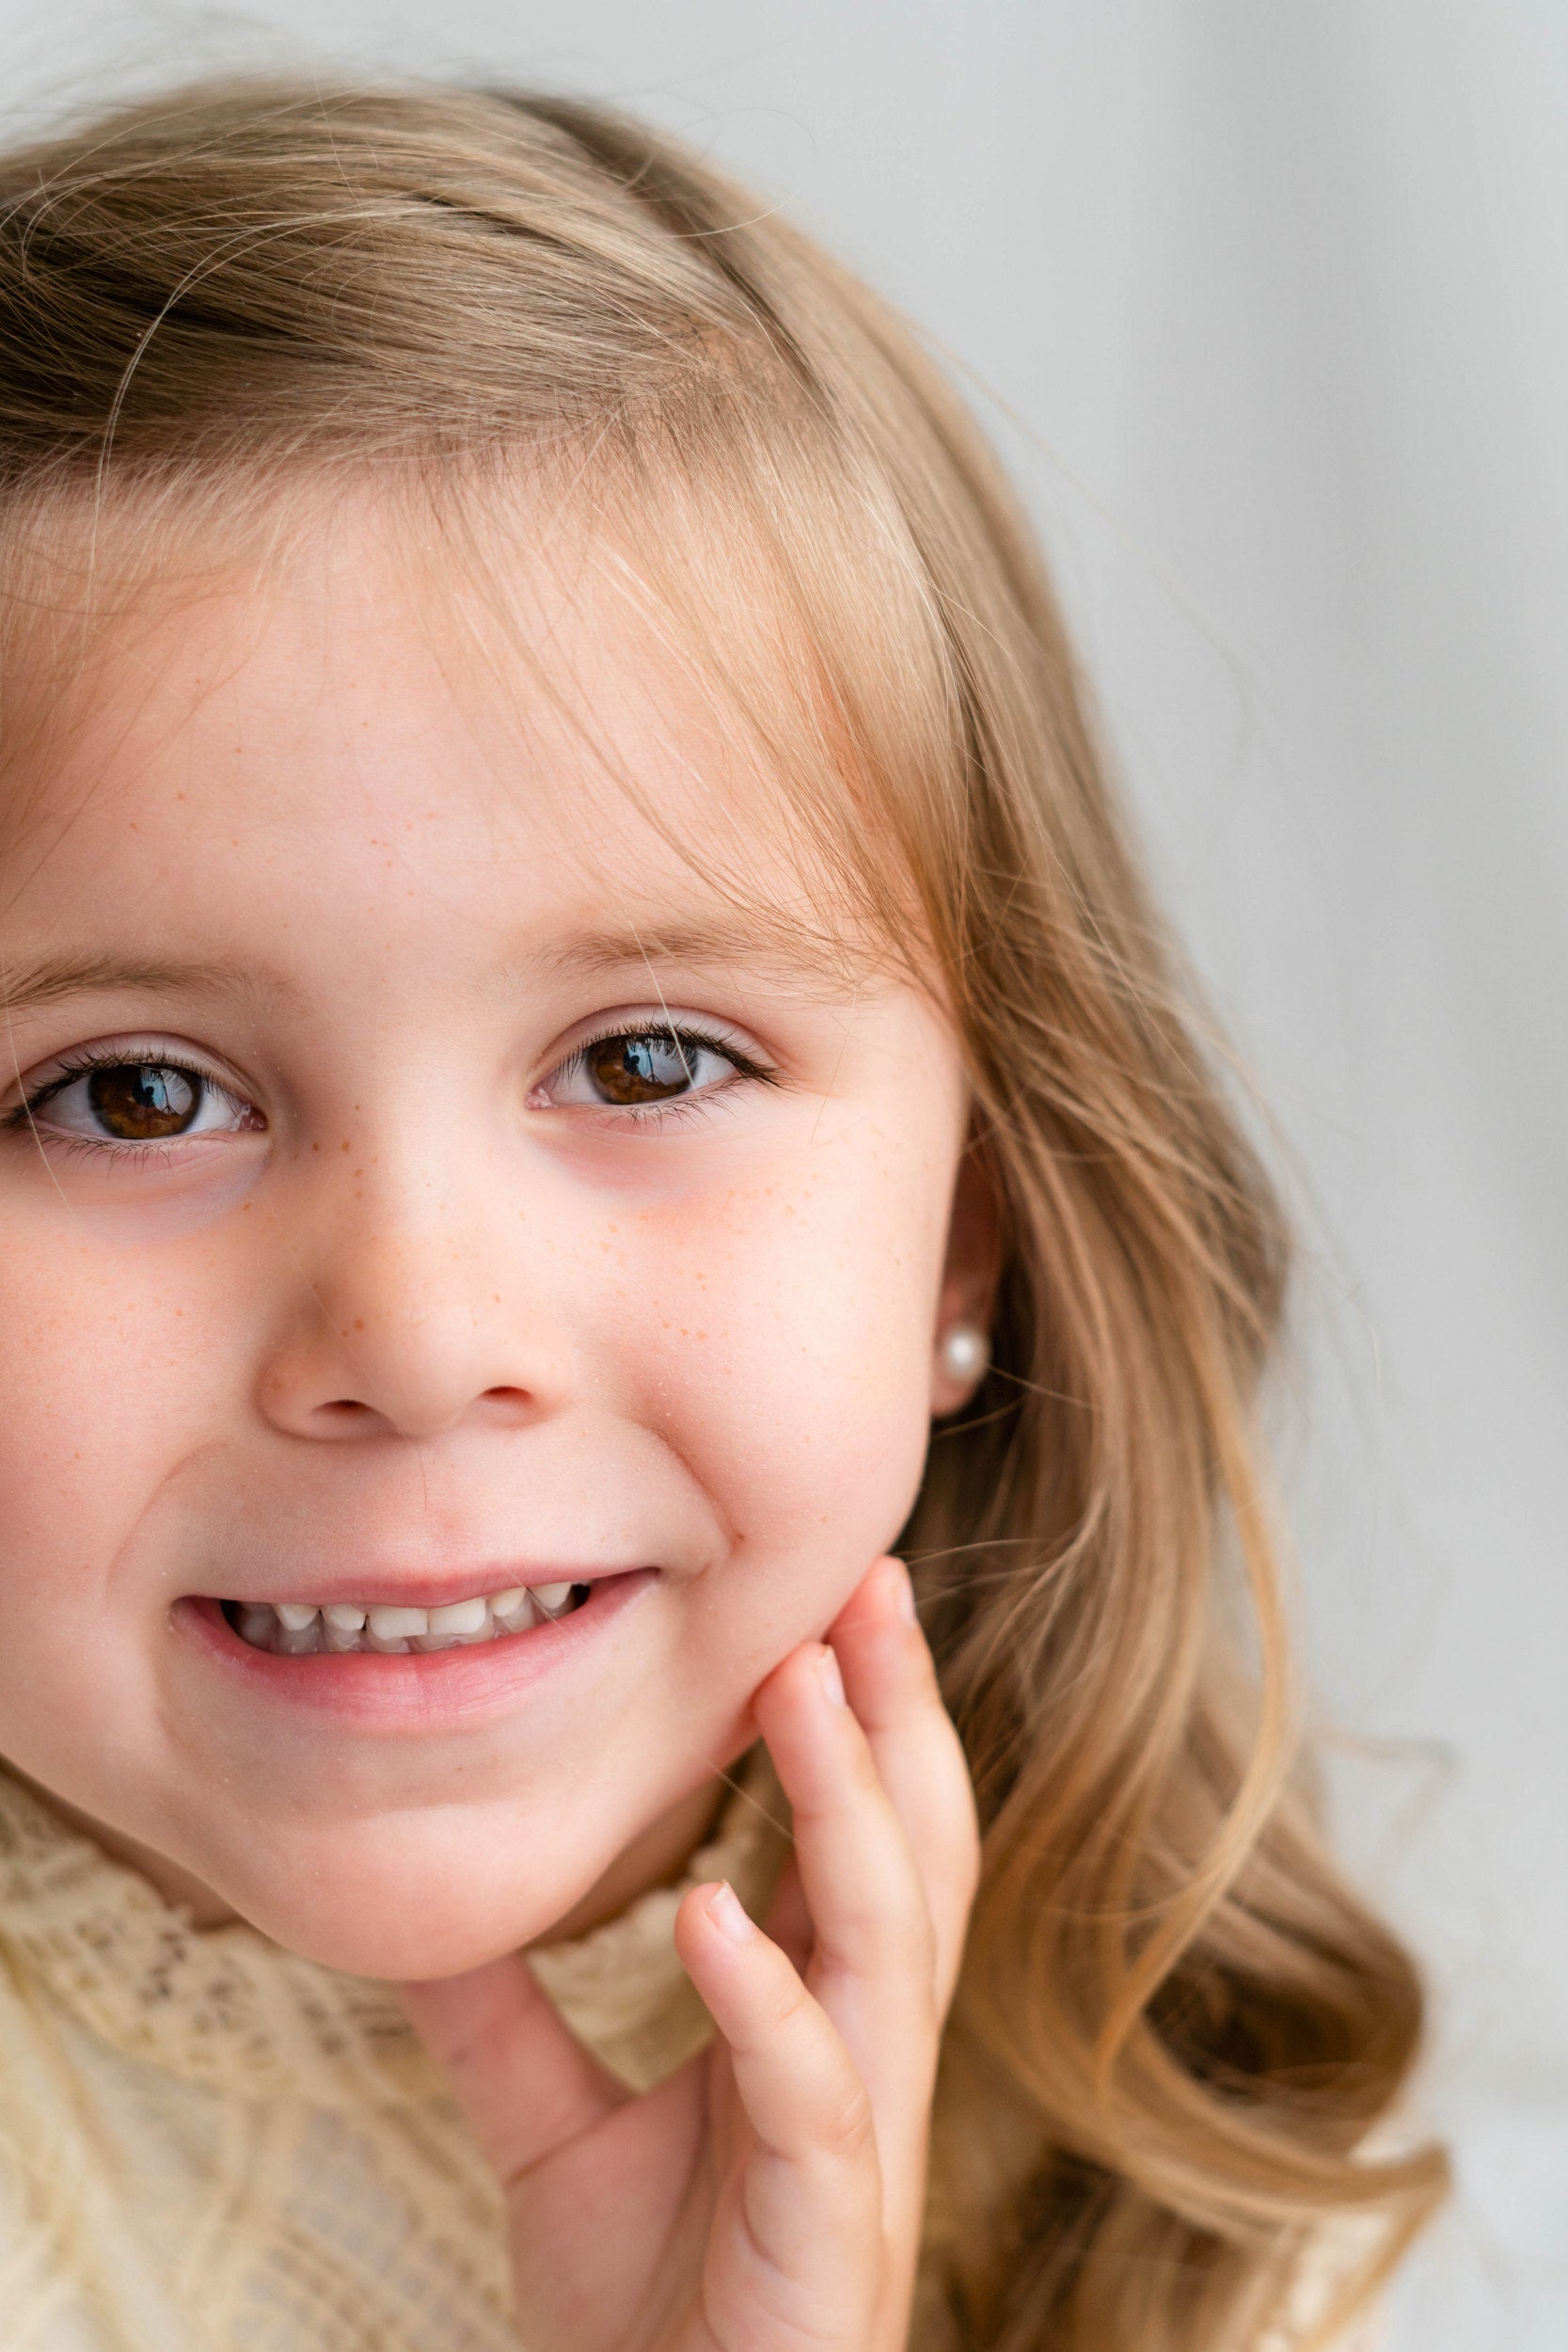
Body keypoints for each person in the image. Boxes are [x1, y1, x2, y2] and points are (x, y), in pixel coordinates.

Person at [0, 75, 1446, 2352]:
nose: (415, 1321)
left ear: (967, 1236)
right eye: (130, 1090)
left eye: (649, 1060)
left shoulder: (1153, 2153)